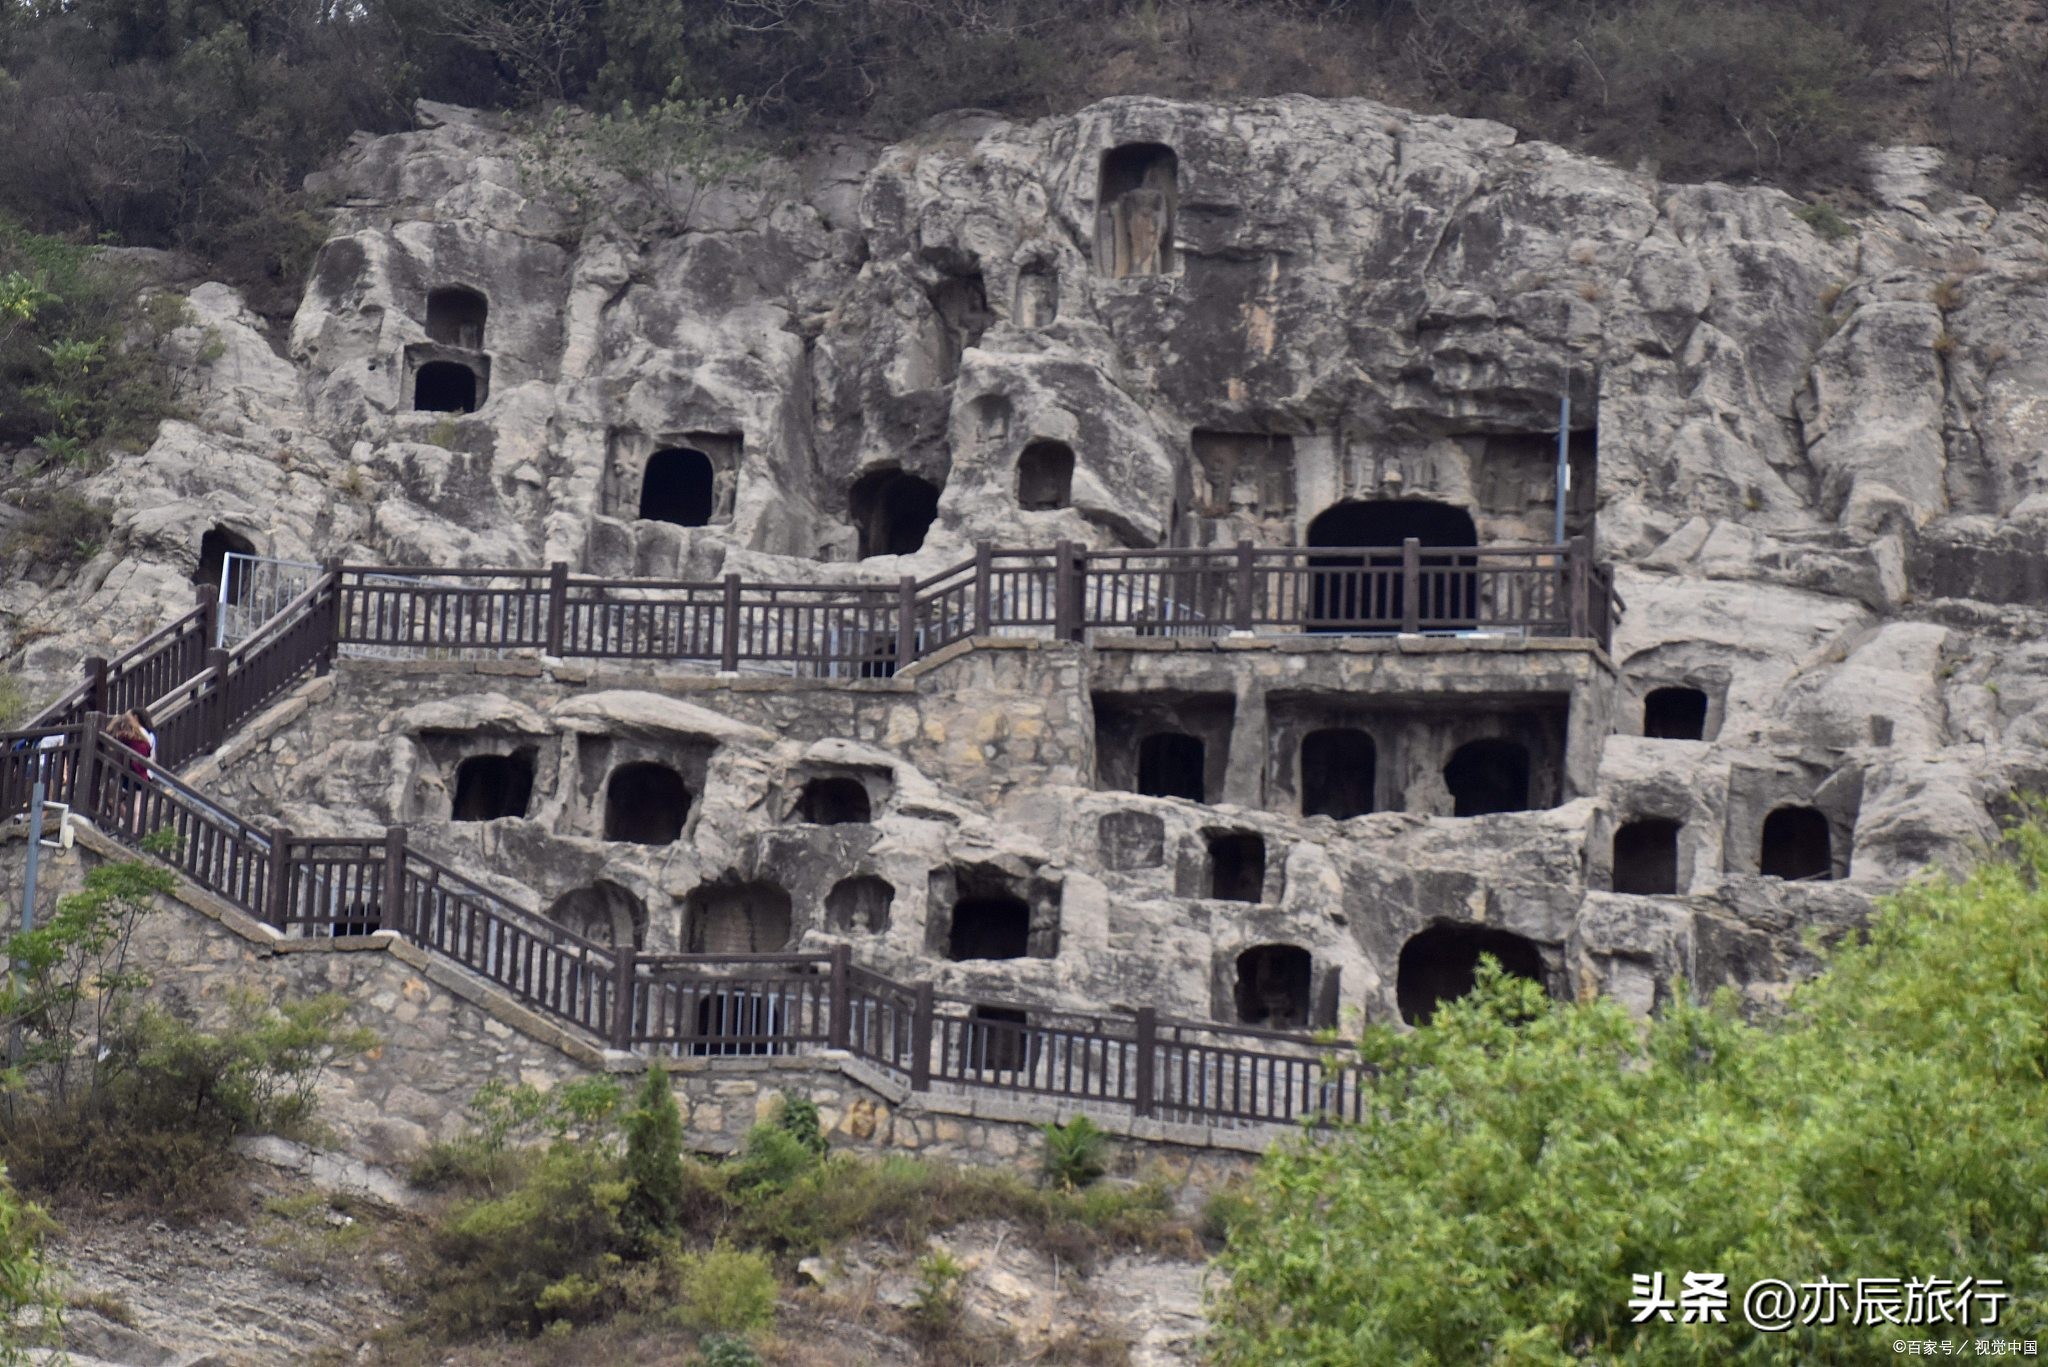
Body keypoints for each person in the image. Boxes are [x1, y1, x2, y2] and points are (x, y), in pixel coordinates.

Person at [107, 711, 153, 831]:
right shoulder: (142, 740)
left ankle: (127, 824)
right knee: (137, 809)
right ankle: (134, 832)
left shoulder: (123, 739)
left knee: (110, 797)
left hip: (127, 777)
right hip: (142, 777)